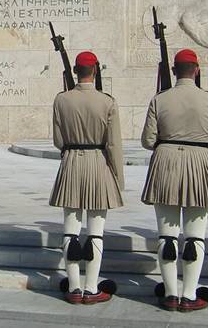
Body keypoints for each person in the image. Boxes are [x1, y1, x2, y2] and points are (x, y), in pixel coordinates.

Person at [140, 48, 208, 312]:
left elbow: (147, 141)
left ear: (174, 71)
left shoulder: (160, 99)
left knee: (167, 236)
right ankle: (189, 295)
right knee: (195, 237)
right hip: (200, 164)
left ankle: (170, 294)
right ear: (197, 70)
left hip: (166, 163)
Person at [49, 51, 124, 304]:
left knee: (70, 231)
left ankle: (73, 287)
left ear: (75, 71)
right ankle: (91, 289)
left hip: (71, 162)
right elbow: (113, 145)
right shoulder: (107, 101)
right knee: (95, 233)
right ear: (95, 71)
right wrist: (117, 178)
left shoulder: (61, 100)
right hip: (98, 163)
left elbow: (58, 140)